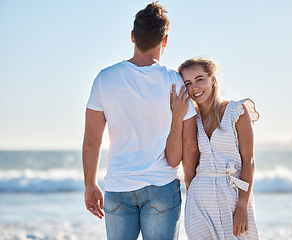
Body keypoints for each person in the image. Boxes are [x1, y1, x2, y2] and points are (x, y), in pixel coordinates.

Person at [82, 2, 198, 240]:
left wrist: (90, 185)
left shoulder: (104, 79)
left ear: (133, 36)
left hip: (118, 186)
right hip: (162, 187)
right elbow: (189, 145)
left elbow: (92, 139)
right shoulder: (176, 82)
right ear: (165, 40)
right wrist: (193, 189)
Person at [171, 57, 260, 239]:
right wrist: (190, 193)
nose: (194, 87)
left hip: (233, 196)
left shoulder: (237, 111)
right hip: (199, 201)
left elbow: (248, 161)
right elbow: (188, 158)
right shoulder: (191, 120)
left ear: (213, 79)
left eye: (199, 79)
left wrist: (242, 204)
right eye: (188, 83)